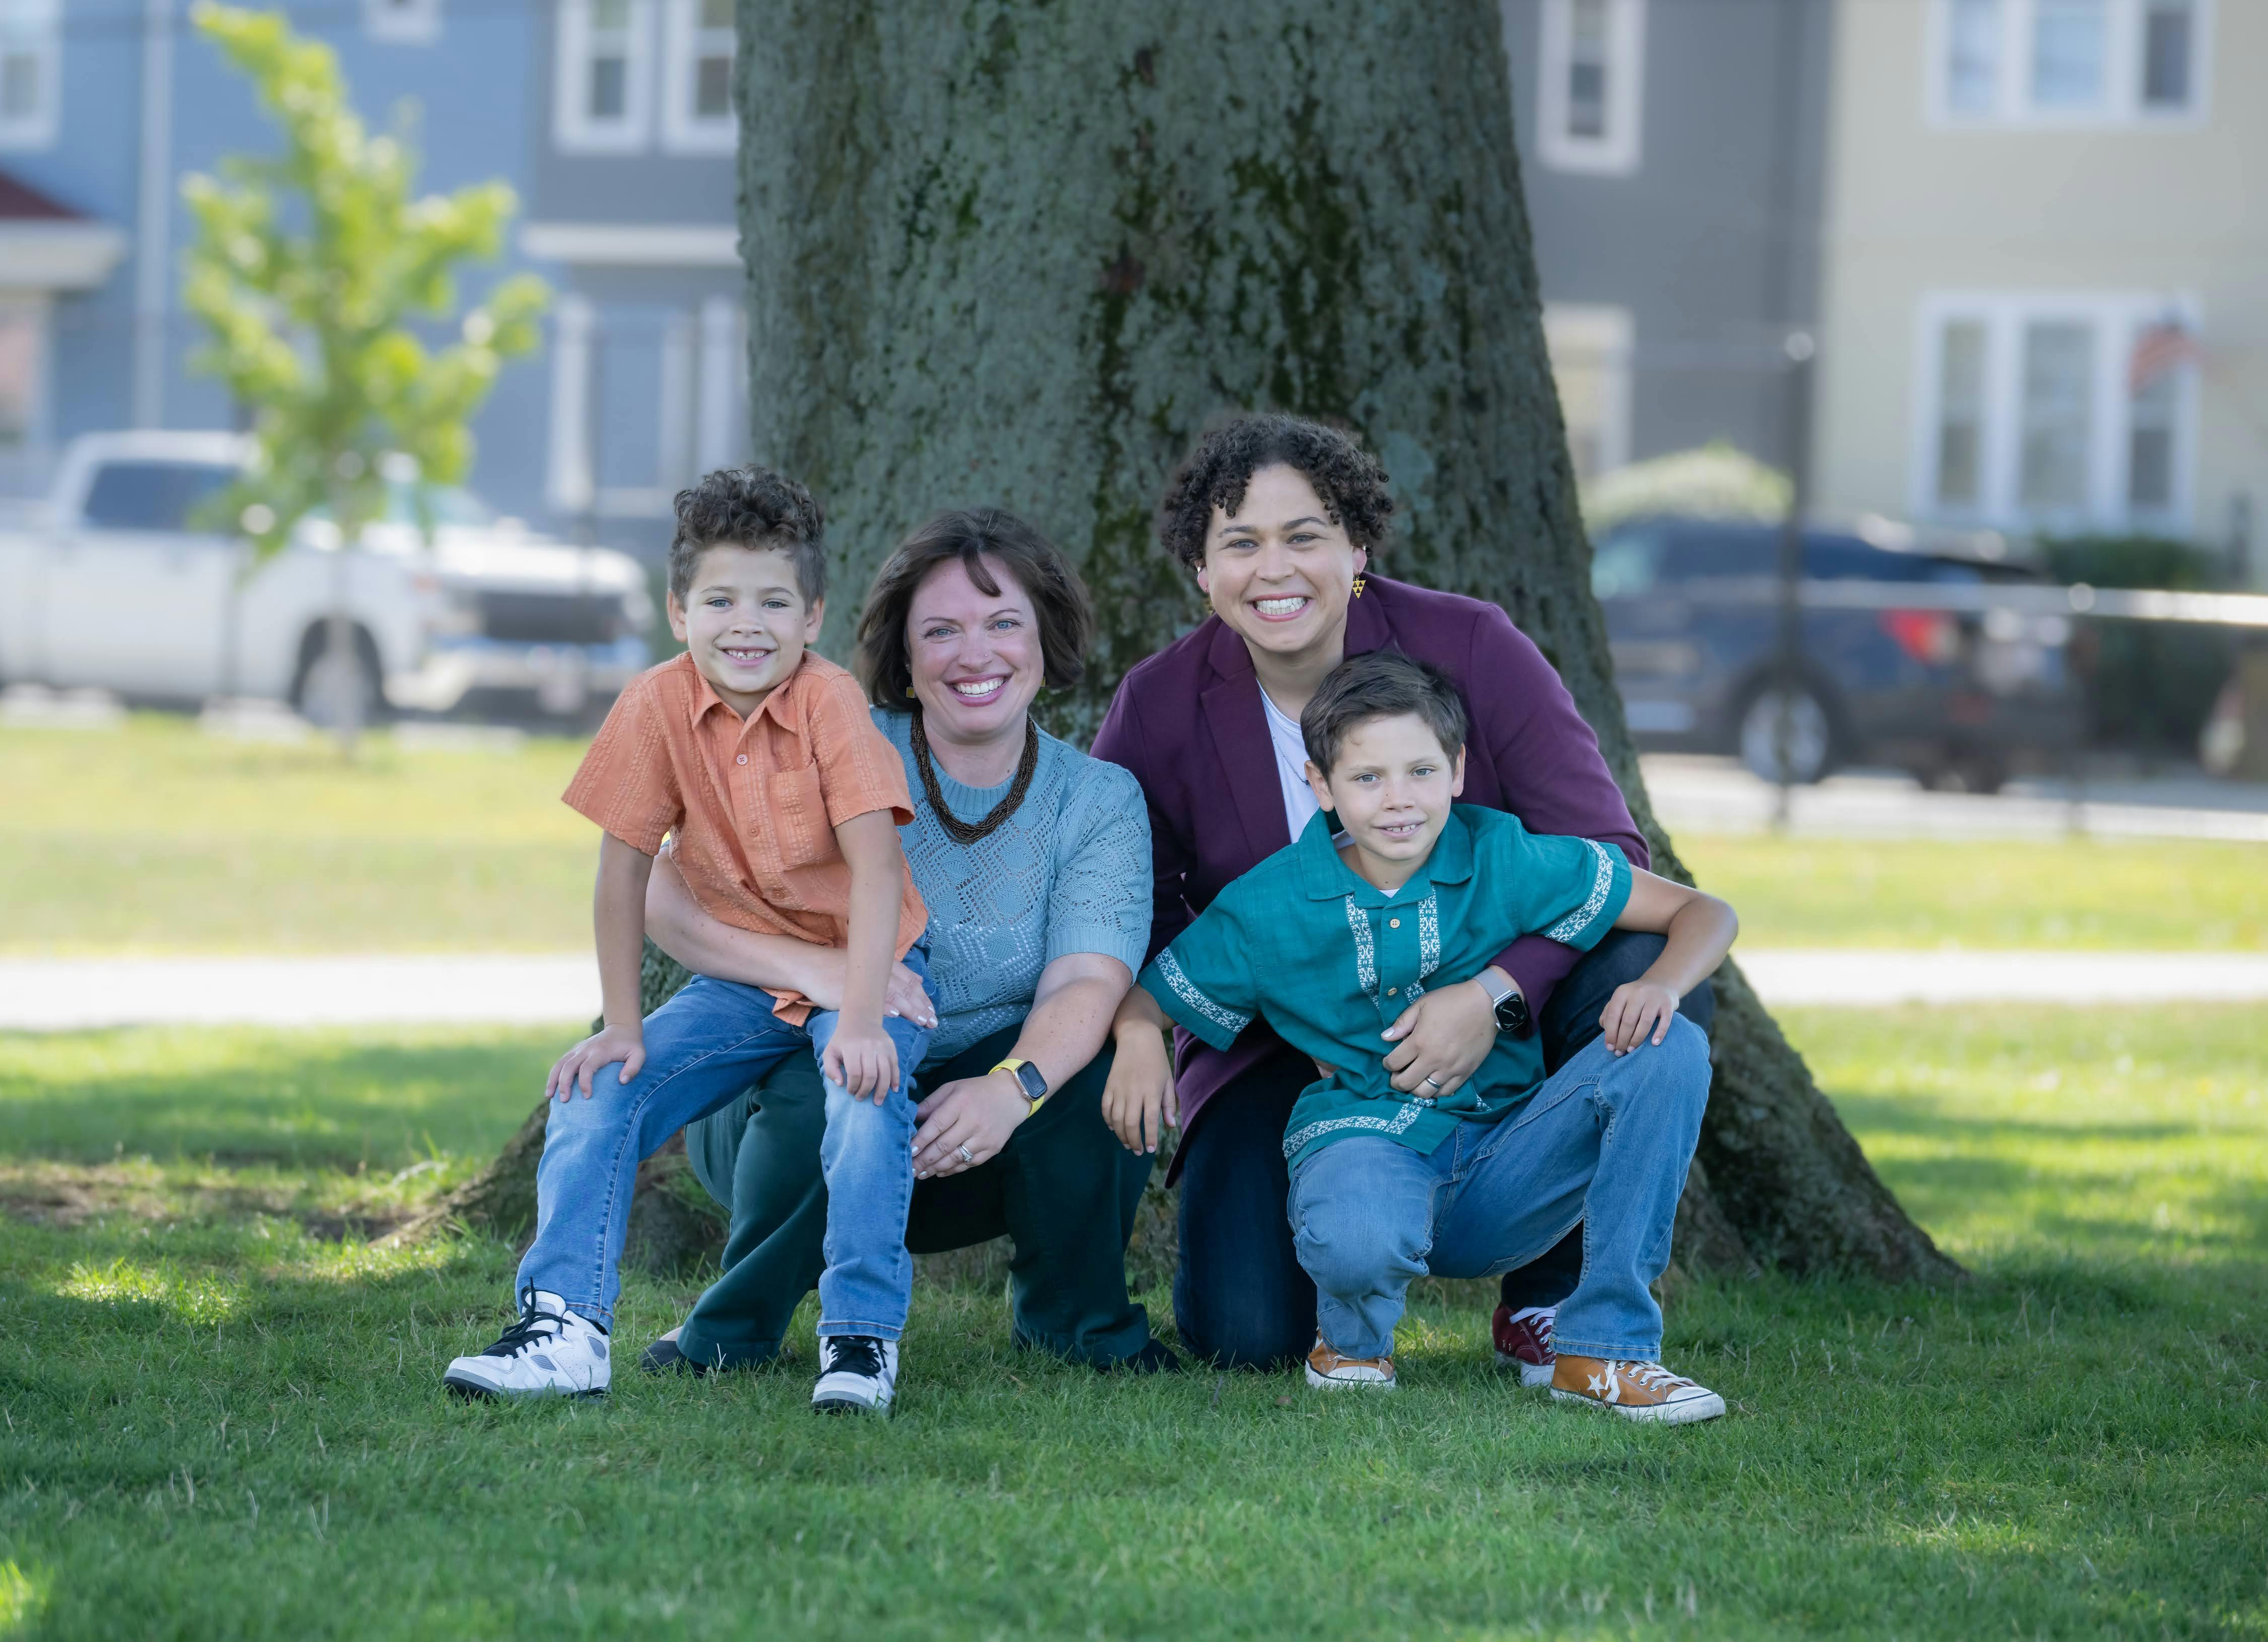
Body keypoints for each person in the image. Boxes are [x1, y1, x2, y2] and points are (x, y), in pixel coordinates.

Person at [1093, 411, 1715, 1377]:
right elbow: (1131, 900)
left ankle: (1553, 1297)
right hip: (1284, 1035)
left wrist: (1495, 990)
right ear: (1200, 573)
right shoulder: (1161, 702)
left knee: (1647, 971)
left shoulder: (1469, 644)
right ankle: (1349, 1274)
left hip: (1488, 1003)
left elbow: (1603, 847)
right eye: (1241, 544)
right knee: (1245, 1333)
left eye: (1304, 536)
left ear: (1356, 549)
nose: (1276, 569)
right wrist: (1155, 1027)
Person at [1113, 652, 1736, 1420]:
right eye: (1366, 778)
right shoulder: (1268, 905)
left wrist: (1659, 985)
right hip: (1367, 1143)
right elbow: (1150, 996)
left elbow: (1705, 913)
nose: (1397, 800)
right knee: (1355, 1230)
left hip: (1508, 1158)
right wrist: (1139, 1033)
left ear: (1458, 770)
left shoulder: (1499, 854)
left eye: (1419, 771)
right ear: (1320, 785)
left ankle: (1603, 1349)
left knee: (1664, 1045)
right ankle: (1351, 1343)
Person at [443, 466, 932, 1416]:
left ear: (811, 617)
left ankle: (860, 1338)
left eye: (772, 602)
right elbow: (620, 873)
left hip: (871, 970)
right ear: (678, 611)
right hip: (741, 977)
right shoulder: (651, 706)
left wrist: (865, 1013)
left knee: (862, 1092)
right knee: (596, 1087)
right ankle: (565, 1330)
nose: (745, 624)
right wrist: (621, 1027)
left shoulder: (831, 704)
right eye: (719, 600)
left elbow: (876, 871)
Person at [643, 509, 1177, 1373]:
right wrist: (813, 972)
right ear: (904, 652)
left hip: (972, 1134)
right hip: (788, 1109)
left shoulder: (1099, 798)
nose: (976, 654)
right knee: (835, 1057)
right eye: (941, 631)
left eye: (1004, 623)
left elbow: (1086, 978)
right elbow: (663, 887)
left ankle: (1077, 1324)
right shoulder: (829, 742)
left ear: (1045, 638)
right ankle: (736, 1326)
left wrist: (1011, 1087)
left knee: (1098, 1064)